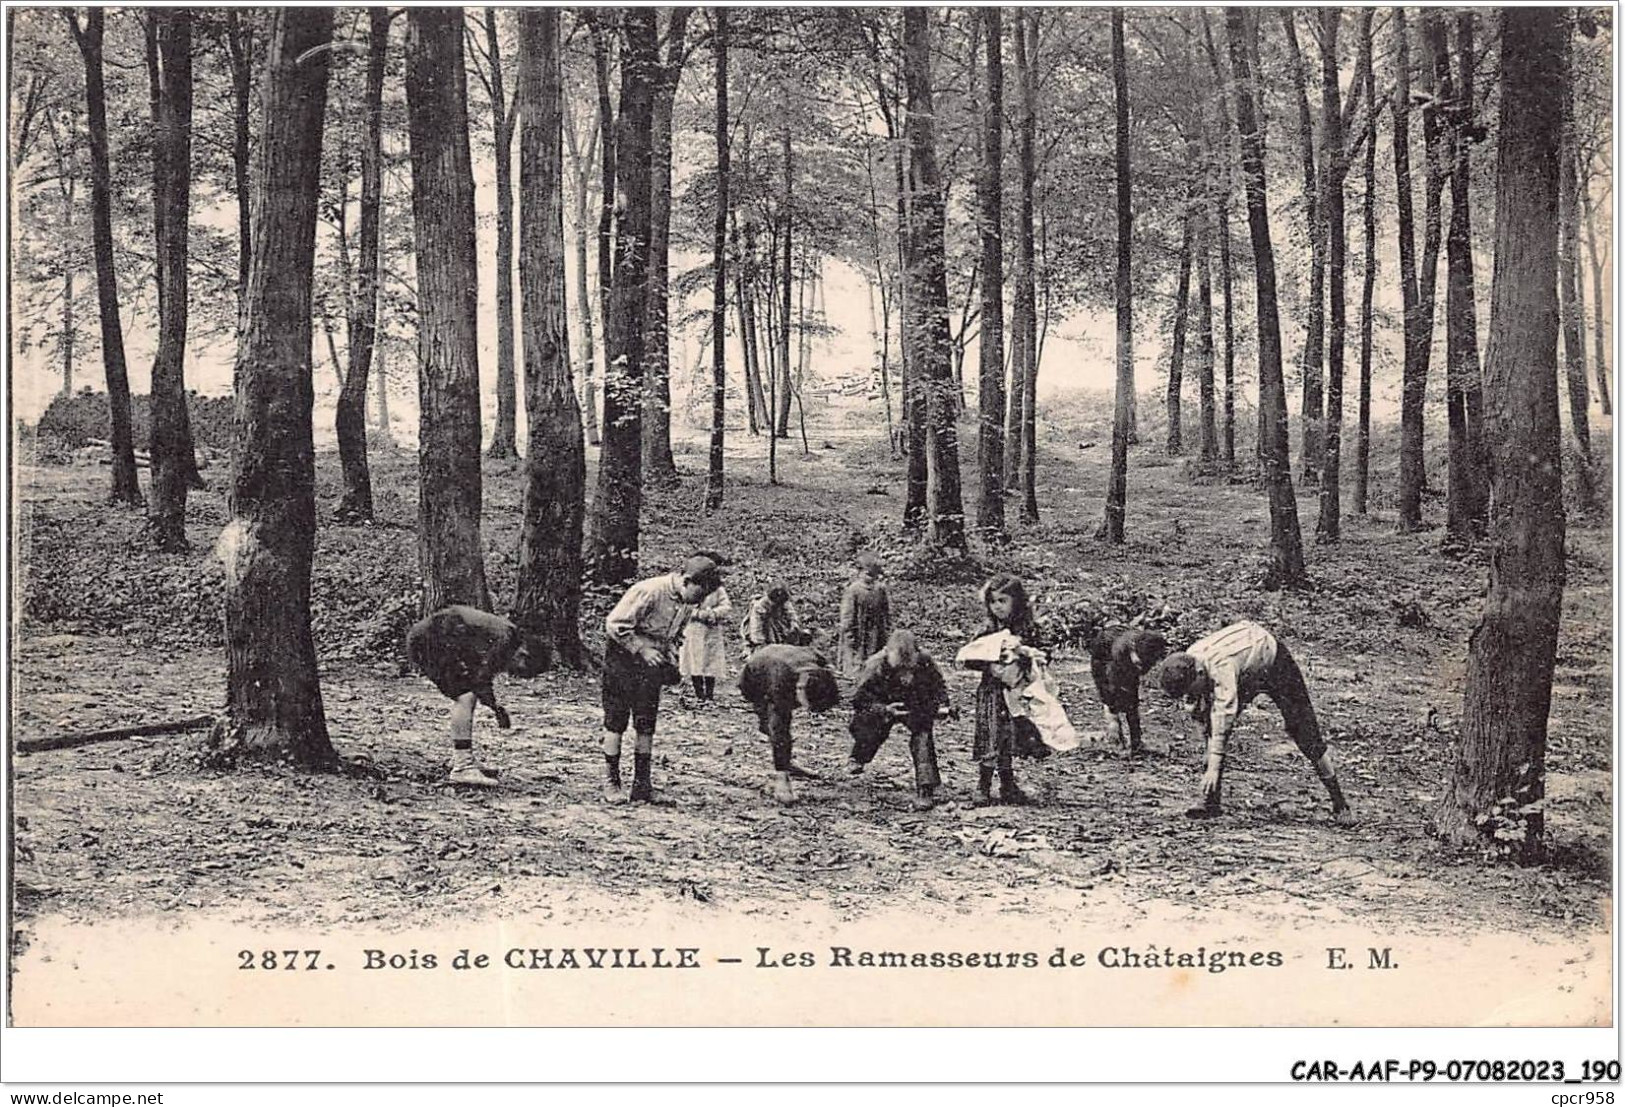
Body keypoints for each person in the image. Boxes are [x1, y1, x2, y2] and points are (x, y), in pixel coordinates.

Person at [1157, 620, 1355, 825]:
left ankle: (1339, 802)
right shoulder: (1190, 658)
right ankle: (1211, 802)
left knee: (1304, 733)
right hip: (1246, 670)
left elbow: (1224, 718)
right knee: (1209, 723)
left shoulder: (1220, 666)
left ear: (1198, 674)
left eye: (1191, 690)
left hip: (1273, 661)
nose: (1190, 695)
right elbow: (1199, 711)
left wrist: (1213, 768)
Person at [601, 556, 724, 803]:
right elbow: (615, 624)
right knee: (616, 722)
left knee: (646, 723)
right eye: (698, 594)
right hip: (623, 659)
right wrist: (641, 649)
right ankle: (611, 782)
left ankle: (642, 785)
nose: (698, 602)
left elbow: (676, 633)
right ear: (687, 581)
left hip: (652, 664)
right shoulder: (649, 591)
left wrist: (670, 654)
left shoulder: (689, 601)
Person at [406, 605, 548, 787]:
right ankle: (462, 766)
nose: (514, 674)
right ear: (524, 655)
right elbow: (481, 678)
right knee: (466, 697)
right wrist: (496, 708)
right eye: (521, 671)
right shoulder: (505, 639)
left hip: (437, 637)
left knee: (467, 693)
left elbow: (481, 675)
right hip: (430, 639)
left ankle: (462, 757)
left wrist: (495, 706)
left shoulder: (508, 636)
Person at [959, 574, 1049, 806]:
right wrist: (989, 660)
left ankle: (1008, 784)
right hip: (992, 691)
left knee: (1009, 737)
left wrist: (1027, 655)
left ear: (1016, 601)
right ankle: (983, 784)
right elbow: (969, 656)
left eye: (1002, 601)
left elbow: (1043, 653)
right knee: (991, 734)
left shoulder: (1028, 629)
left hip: (1018, 690)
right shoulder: (988, 629)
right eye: (993, 602)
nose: (997, 607)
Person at [847, 630, 951, 810]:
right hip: (883, 704)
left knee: (923, 736)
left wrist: (943, 705)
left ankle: (927, 786)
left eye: (908, 669)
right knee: (871, 729)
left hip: (914, 704)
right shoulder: (875, 665)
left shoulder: (926, 661)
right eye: (899, 670)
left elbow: (939, 687)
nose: (904, 676)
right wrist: (884, 710)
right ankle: (859, 757)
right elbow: (859, 700)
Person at [738, 643, 841, 804]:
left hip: (780, 655)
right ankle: (782, 774)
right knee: (775, 726)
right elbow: (781, 728)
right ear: (799, 690)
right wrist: (782, 781)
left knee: (777, 726)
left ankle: (786, 761)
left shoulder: (818, 665)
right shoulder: (780, 682)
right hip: (754, 678)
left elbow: (821, 660)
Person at [1089, 625, 1169, 756]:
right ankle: (1116, 736)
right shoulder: (1118, 651)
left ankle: (1136, 742)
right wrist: (1113, 719)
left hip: (1122, 651)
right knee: (1111, 695)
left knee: (1132, 703)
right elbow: (1111, 684)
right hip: (1102, 657)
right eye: (1139, 663)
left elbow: (1136, 681)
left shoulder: (1151, 645)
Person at [679, 550, 734, 705]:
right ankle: (699, 694)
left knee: (711, 660)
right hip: (694, 628)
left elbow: (726, 606)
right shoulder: (689, 586)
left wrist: (714, 614)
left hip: (712, 628)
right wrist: (697, 614)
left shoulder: (717, 589)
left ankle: (710, 694)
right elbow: (683, 606)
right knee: (695, 659)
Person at [836, 552, 892, 678]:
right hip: (858, 632)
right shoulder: (853, 590)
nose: (870, 579)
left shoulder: (880, 589)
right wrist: (848, 633)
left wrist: (887, 629)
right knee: (855, 662)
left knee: (876, 661)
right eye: (867, 574)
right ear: (860, 572)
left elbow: (886, 612)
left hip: (876, 632)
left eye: (874, 575)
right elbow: (847, 615)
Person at [742, 583, 810, 653]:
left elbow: (791, 613)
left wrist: (794, 623)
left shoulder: (783, 602)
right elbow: (756, 628)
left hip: (779, 625)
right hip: (765, 629)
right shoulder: (760, 606)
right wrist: (761, 644)